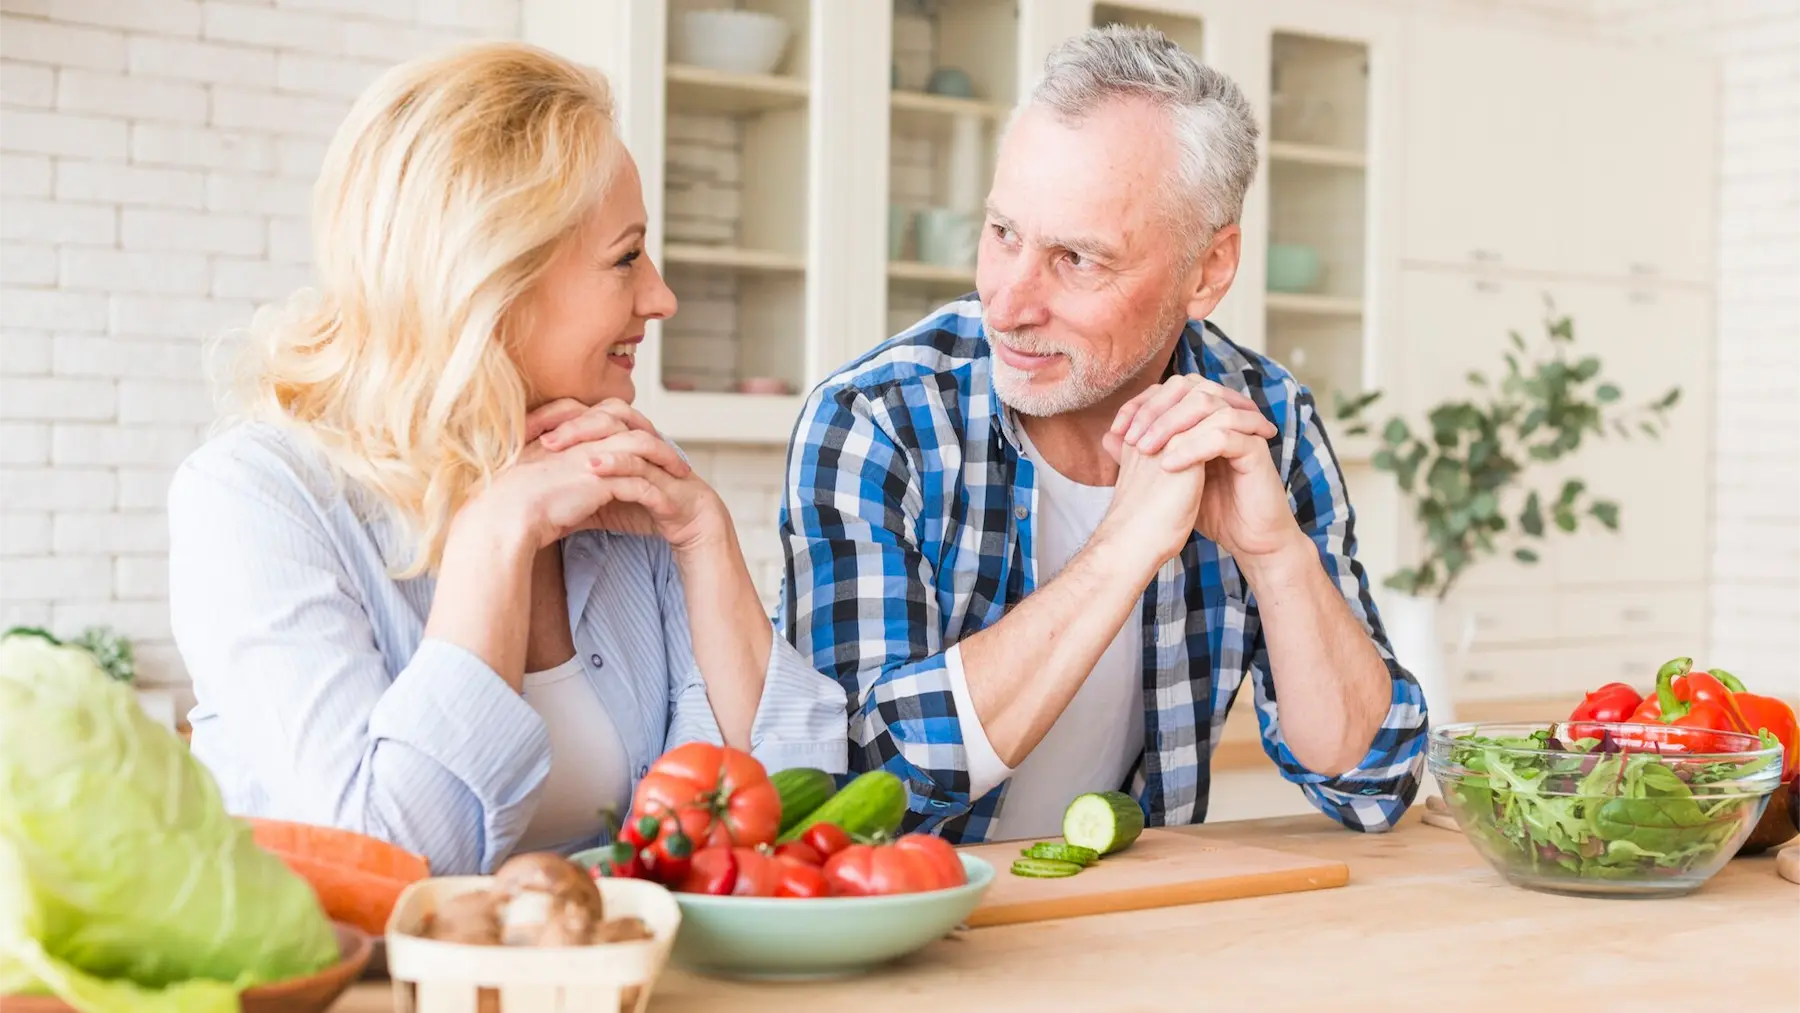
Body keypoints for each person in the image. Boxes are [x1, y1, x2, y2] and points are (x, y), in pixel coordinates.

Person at [167, 41, 848, 876]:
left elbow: (790, 813)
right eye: (626, 257)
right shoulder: (256, 499)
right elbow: (382, 869)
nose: (660, 296)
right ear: (494, 281)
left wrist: (707, 542)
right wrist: (493, 539)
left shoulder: (618, 474)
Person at [776, 25, 1426, 844]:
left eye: (1077, 259)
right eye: (1003, 233)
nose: (1008, 303)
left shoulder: (1262, 419)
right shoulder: (879, 419)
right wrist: (1122, 549)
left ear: (1208, 272)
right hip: (910, 927)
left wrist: (1276, 555)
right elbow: (858, 789)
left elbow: (1374, 781)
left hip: (1126, 926)